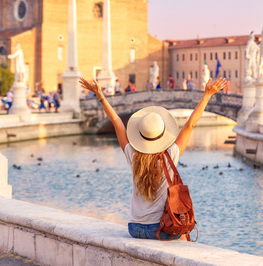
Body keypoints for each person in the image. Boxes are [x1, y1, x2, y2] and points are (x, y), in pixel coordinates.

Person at [79, 76, 226, 241]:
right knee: (184, 233)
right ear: (162, 134)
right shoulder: (170, 155)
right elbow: (190, 124)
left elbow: (116, 121)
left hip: (134, 228)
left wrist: (100, 95)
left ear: (140, 135)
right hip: (160, 230)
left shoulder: (133, 155)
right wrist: (207, 95)